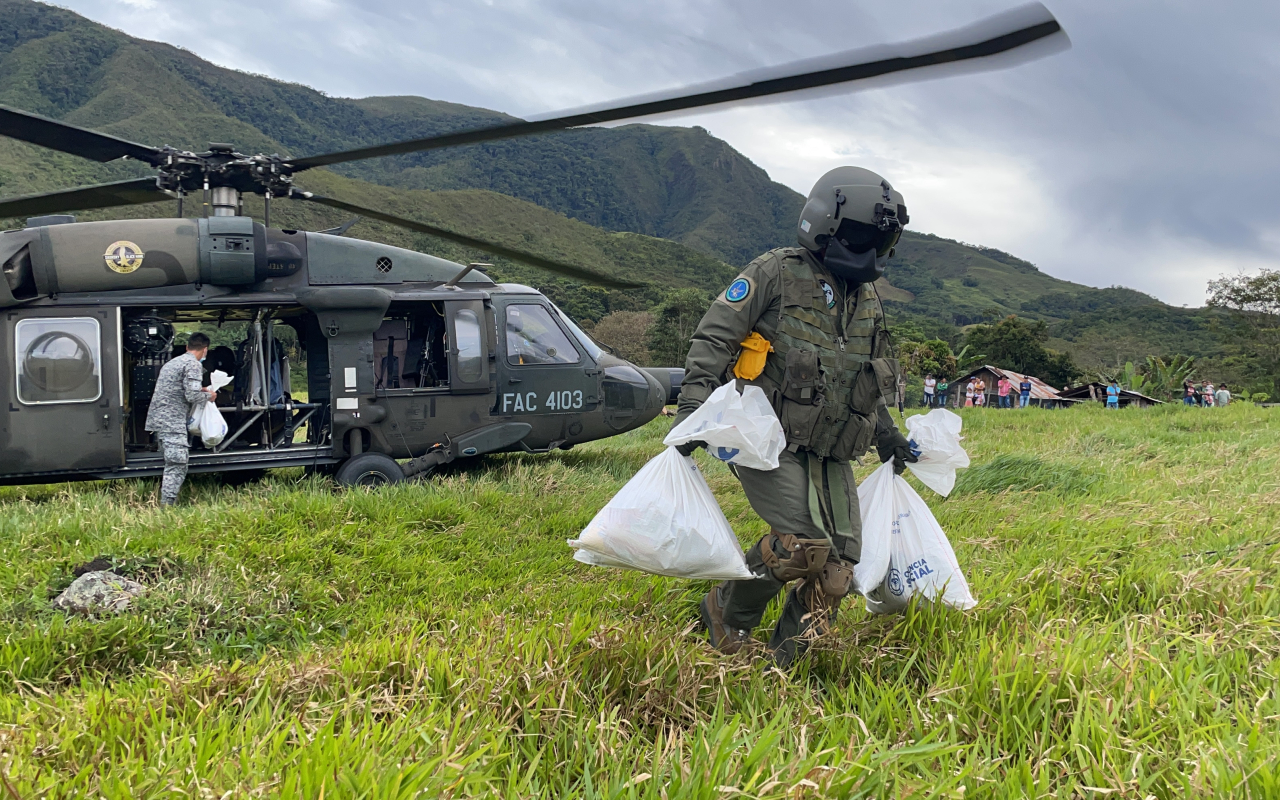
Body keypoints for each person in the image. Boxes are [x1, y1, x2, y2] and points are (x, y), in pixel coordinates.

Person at [675, 166, 916, 668]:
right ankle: (726, 612)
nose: (871, 250)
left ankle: (789, 660)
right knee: (801, 547)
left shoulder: (867, 300)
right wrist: (694, 406)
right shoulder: (775, 272)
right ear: (826, 223)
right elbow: (715, 336)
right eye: (862, 236)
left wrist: (889, 435)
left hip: (832, 447)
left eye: (881, 241)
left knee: (838, 566)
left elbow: (867, 379)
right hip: (766, 437)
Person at [145, 332, 217, 506]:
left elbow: (179, 388)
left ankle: (166, 501)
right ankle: (167, 506)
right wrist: (210, 396)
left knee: (170, 461)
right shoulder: (193, 365)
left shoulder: (173, 363)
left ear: (187, 347)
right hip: (172, 421)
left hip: (160, 420)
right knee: (177, 462)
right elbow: (192, 395)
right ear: (205, 350)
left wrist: (200, 390)